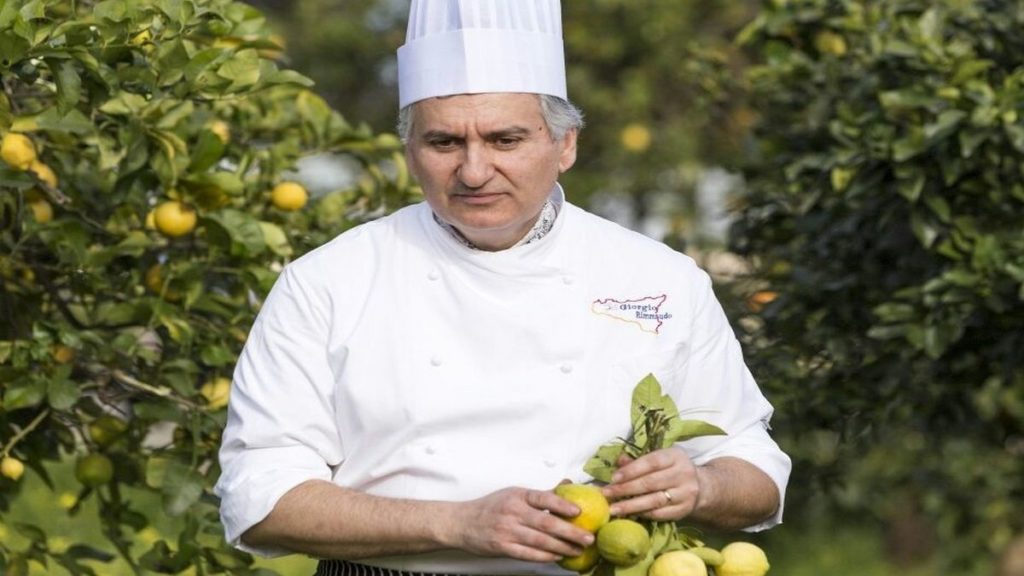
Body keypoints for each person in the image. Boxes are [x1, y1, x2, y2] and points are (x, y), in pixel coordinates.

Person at [214, 1, 791, 575]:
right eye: (443, 143)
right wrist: (457, 523)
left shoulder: (660, 278)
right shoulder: (327, 281)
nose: (473, 171)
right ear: (411, 153)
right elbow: (259, 495)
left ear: (565, 145)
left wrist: (702, 486)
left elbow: (754, 470)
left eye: (505, 139)